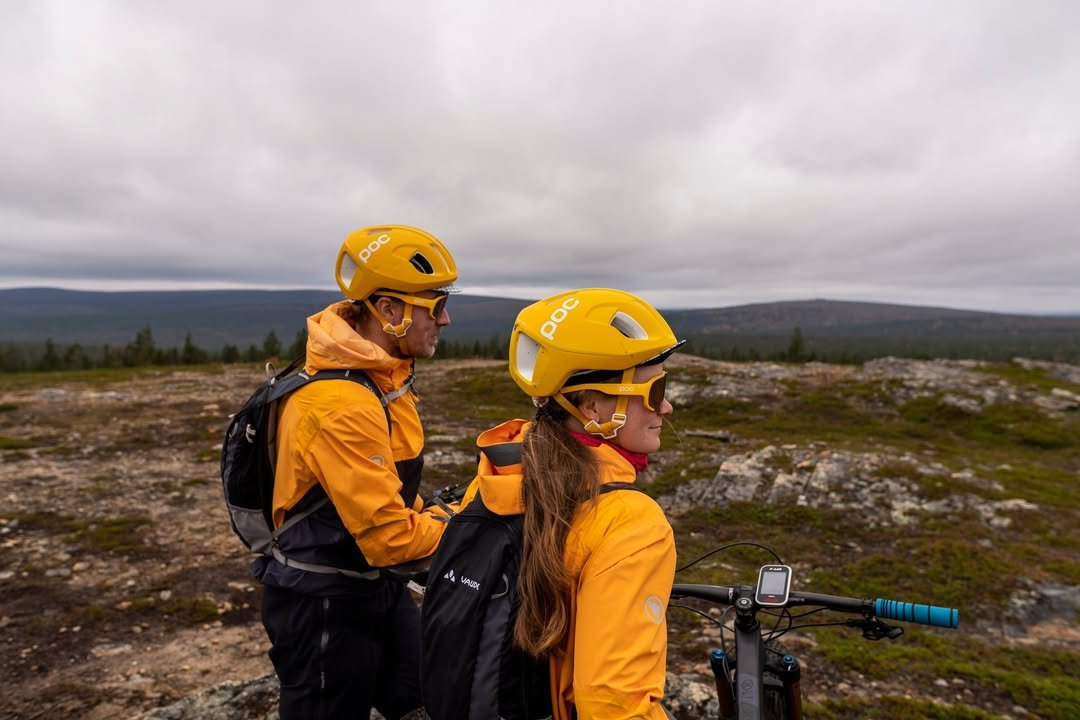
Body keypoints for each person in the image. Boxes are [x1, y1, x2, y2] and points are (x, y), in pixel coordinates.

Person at [253, 224, 458, 720]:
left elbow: (383, 495)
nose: (446, 319)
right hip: (323, 601)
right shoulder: (341, 401)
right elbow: (388, 537)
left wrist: (436, 515)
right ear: (388, 311)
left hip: (373, 585)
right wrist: (464, 526)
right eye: (435, 305)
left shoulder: (383, 378)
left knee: (423, 694)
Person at [460, 287, 682, 719]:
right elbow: (613, 704)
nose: (667, 407)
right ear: (594, 406)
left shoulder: (501, 472)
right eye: (656, 391)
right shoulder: (630, 523)